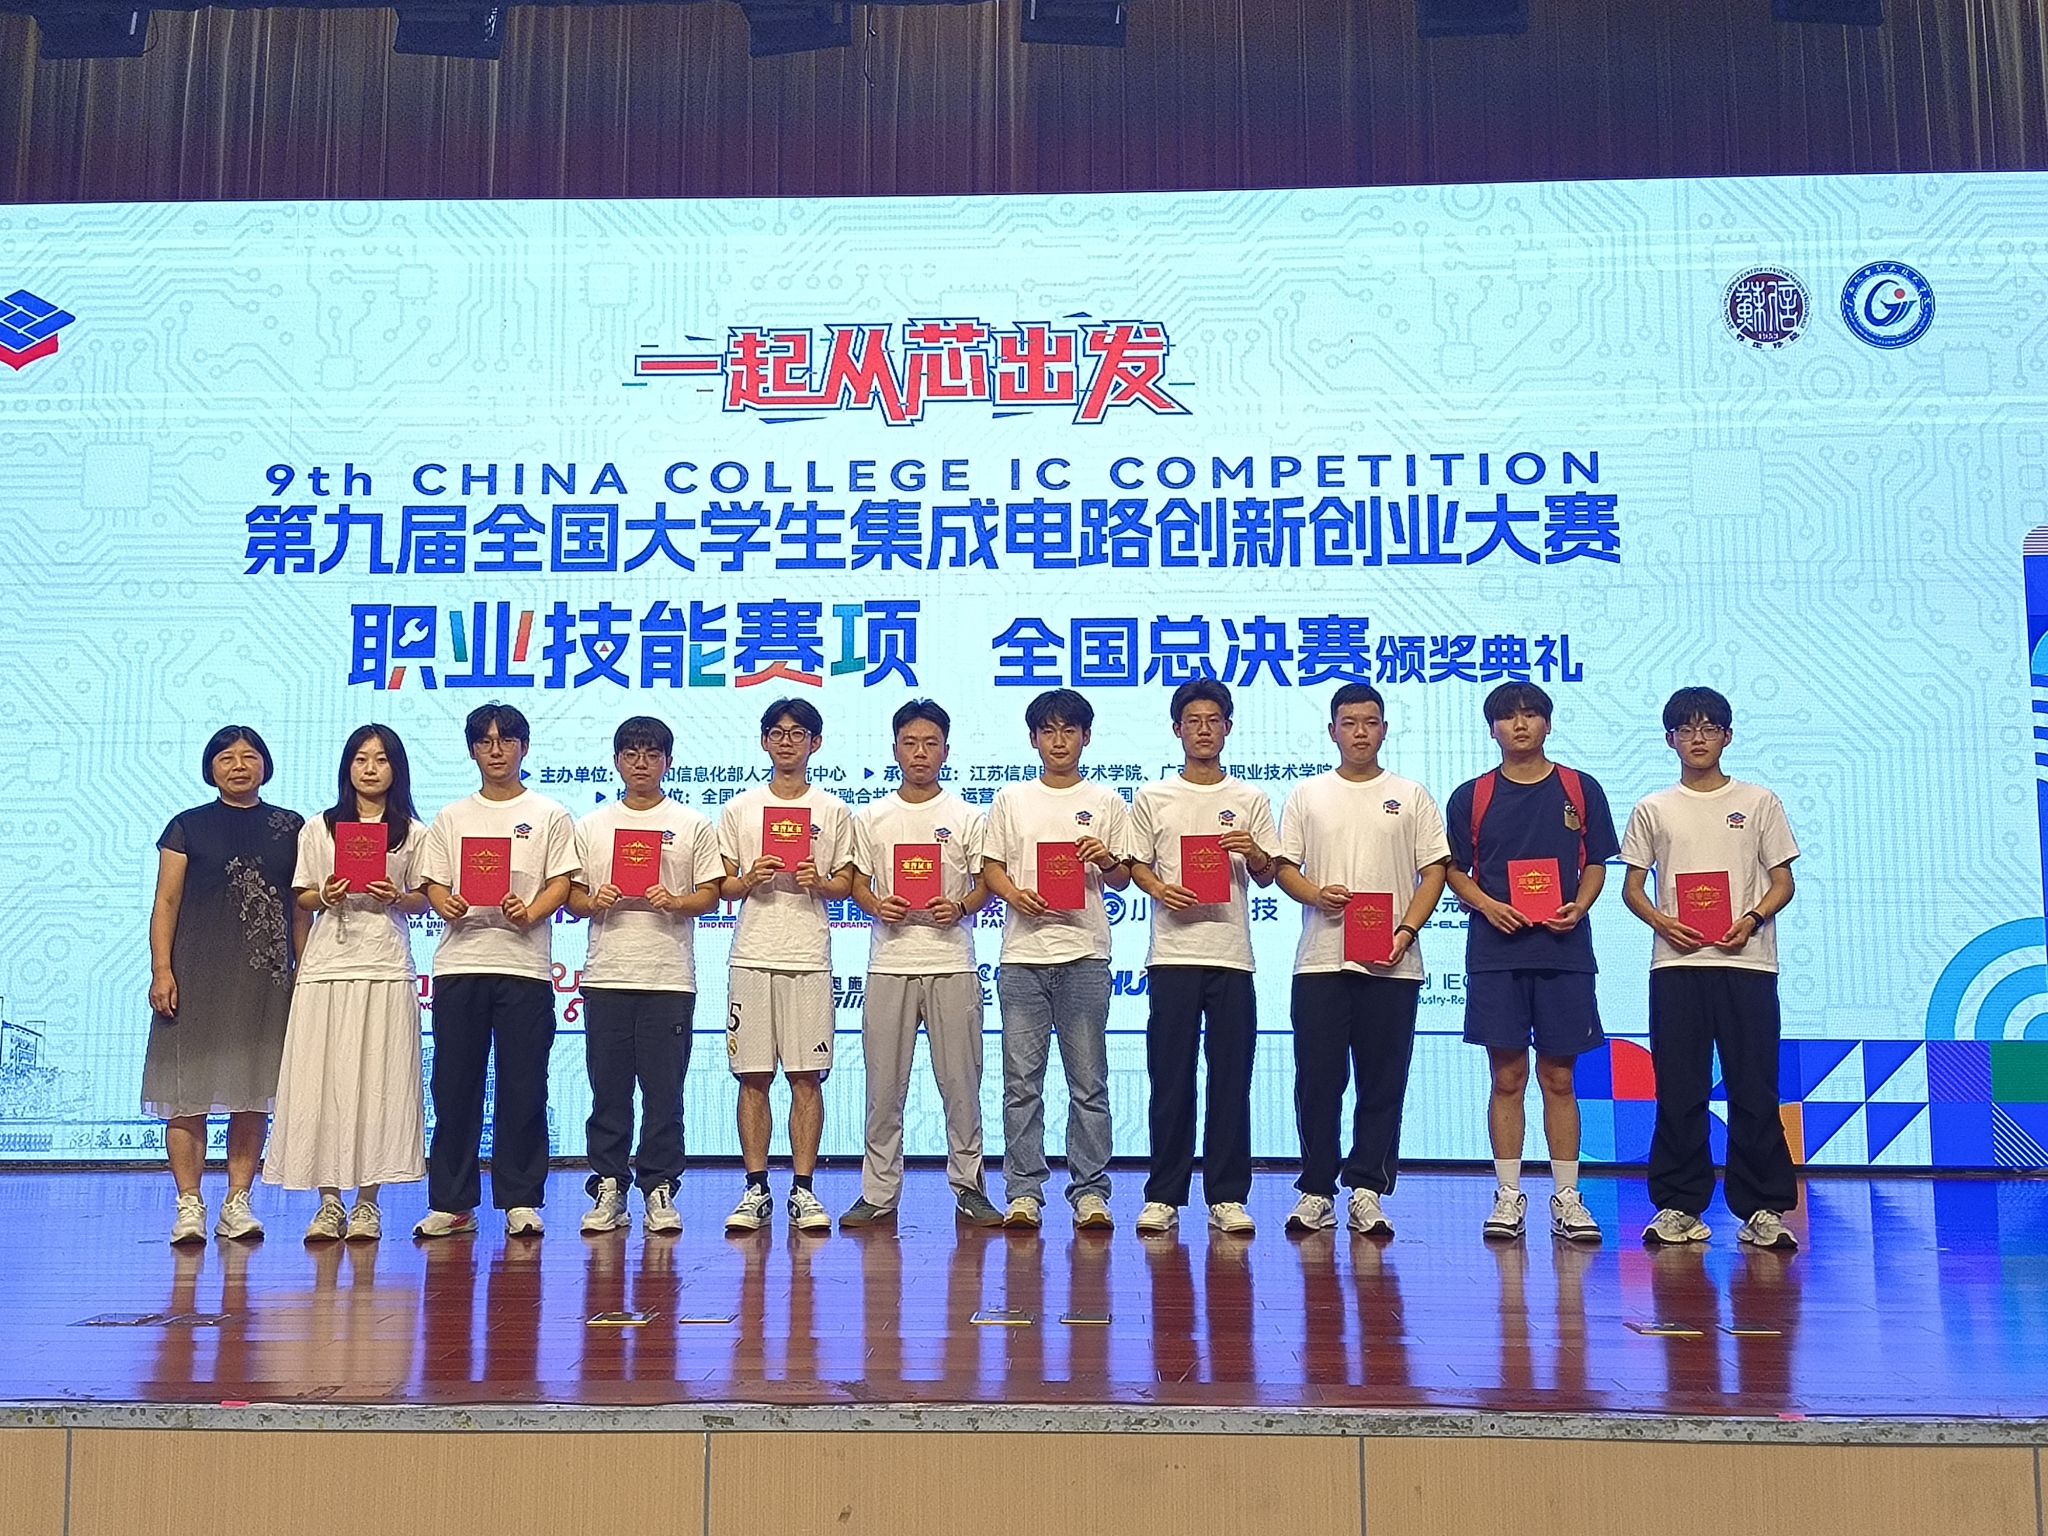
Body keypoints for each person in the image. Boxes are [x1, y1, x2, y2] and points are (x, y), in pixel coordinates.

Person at [1620, 687, 1801, 1250]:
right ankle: (1679, 1206)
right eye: (1686, 729)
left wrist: (1751, 919)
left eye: (1708, 728)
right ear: (1669, 739)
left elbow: (1783, 882)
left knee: (1754, 1088)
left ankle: (1763, 1209)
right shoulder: (1654, 808)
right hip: (1676, 965)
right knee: (1680, 1089)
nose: (1697, 738)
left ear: (1727, 736)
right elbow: (1632, 887)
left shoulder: (1760, 801)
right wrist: (1662, 922)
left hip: (1748, 963)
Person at [1444, 682, 1619, 1245]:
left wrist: (1580, 906)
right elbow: (1453, 870)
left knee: (1560, 1078)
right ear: (1492, 728)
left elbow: (1597, 862)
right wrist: (1488, 906)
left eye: (1531, 715)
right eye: (1508, 717)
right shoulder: (1472, 796)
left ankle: (1567, 1196)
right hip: (1497, 953)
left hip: (1564, 951)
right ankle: (1507, 1193)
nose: (1520, 725)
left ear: (1548, 723)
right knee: (1507, 1076)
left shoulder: (1580, 788)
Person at [1273, 684, 1450, 1238]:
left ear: (1384, 730)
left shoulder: (1410, 795)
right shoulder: (1308, 794)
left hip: (1391, 962)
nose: (1359, 732)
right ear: (1332, 731)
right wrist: (1315, 894)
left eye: (1370, 722)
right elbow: (1284, 867)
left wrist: (1406, 930)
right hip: (1321, 961)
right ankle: (1316, 1190)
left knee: (1383, 1081)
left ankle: (1368, 1189)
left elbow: (1435, 870)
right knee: (1318, 1081)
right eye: (1348, 723)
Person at [413, 704, 577, 1239]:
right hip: (460, 964)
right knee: (454, 1086)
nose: (496, 750)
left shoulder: (549, 813)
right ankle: (452, 1203)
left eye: (506, 740)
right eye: (484, 741)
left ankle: (521, 1199)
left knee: (524, 1086)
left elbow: (561, 881)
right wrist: (445, 902)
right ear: (472, 751)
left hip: (524, 967)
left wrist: (530, 912)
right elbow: (434, 881)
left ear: (524, 747)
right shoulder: (452, 816)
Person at [841, 699, 1003, 1229]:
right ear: (894, 750)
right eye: (910, 743)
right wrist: (875, 905)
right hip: (889, 963)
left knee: (962, 1085)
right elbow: (858, 883)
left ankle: (970, 1187)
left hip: (952, 961)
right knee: (884, 1089)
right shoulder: (872, 817)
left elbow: (985, 884)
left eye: (930, 744)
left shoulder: (967, 817)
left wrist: (960, 907)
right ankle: (878, 1193)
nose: (920, 753)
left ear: (946, 751)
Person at [1126, 679, 1277, 1239]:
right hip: (1172, 954)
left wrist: (1253, 851)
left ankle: (1228, 1196)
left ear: (1228, 728)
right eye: (1193, 720)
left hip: (1232, 956)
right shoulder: (1154, 797)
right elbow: (1136, 864)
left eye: (1214, 720)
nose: (1204, 729)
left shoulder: (1250, 799)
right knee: (1170, 1078)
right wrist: (1160, 889)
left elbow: (1268, 874)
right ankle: (1163, 1196)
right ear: (1178, 730)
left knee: (1232, 1078)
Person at [266, 725, 429, 1242]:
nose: (370, 769)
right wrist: (327, 895)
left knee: (379, 1082)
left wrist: (396, 895)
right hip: (328, 966)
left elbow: (423, 899)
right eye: (360, 759)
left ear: (396, 768)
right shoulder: (320, 827)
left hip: (384, 965)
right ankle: (329, 1202)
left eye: (381, 759)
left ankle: (367, 1204)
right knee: (324, 1083)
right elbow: (303, 895)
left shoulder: (413, 833)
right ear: (347, 767)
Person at [980, 688, 1133, 1231]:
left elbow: (1123, 876)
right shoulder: (1012, 799)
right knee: (1021, 1083)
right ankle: (1024, 1191)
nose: (1059, 740)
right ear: (1034, 739)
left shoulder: (1108, 801)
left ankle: (1090, 1192)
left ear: (1086, 737)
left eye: (1069, 730)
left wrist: (1106, 858)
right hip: (1023, 957)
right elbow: (991, 867)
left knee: (1088, 1082)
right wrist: (1014, 895)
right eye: (1048, 731)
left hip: (1085, 956)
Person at [147, 725, 306, 1244]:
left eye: (249, 756)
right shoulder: (186, 827)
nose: (239, 765)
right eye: (226, 758)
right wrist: (162, 969)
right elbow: (166, 902)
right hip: (195, 975)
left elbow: (301, 906)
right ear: (210, 768)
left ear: (265, 764)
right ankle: (189, 1205)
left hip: (265, 980)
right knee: (185, 1094)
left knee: (252, 1093)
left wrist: (305, 970)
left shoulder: (291, 827)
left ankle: (238, 1202)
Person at [568, 716, 725, 1236]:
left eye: (652, 754)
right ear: (617, 761)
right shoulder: (592, 826)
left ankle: (660, 1187)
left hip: (668, 978)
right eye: (631, 753)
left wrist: (676, 901)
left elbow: (710, 894)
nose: (641, 763)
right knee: (608, 1091)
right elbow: (572, 899)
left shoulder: (691, 824)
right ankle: (609, 1186)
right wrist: (595, 900)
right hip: (608, 975)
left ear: (668, 762)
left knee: (664, 1093)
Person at [716, 698, 855, 1235]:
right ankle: (756, 1189)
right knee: (752, 1077)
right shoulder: (741, 809)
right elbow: (724, 886)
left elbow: (847, 884)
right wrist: (749, 878)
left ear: (815, 743)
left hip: (807, 958)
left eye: (798, 733)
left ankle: (804, 1189)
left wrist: (822, 881)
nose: (787, 741)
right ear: (764, 741)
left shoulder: (833, 810)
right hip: (752, 956)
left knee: (805, 1076)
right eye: (777, 732)